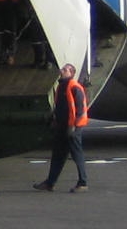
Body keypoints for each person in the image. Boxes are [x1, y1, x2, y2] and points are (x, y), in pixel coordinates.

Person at [36, 62, 89, 192]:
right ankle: (50, 183)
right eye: (63, 68)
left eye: (66, 69)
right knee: (57, 155)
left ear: (71, 73)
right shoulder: (60, 87)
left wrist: (74, 126)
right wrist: (53, 118)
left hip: (72, 127)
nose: (62, 70)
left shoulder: (74, 87)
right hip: (62, 126)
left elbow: (81, 109)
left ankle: (83, 183)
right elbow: (60, 106)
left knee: (77, 155)